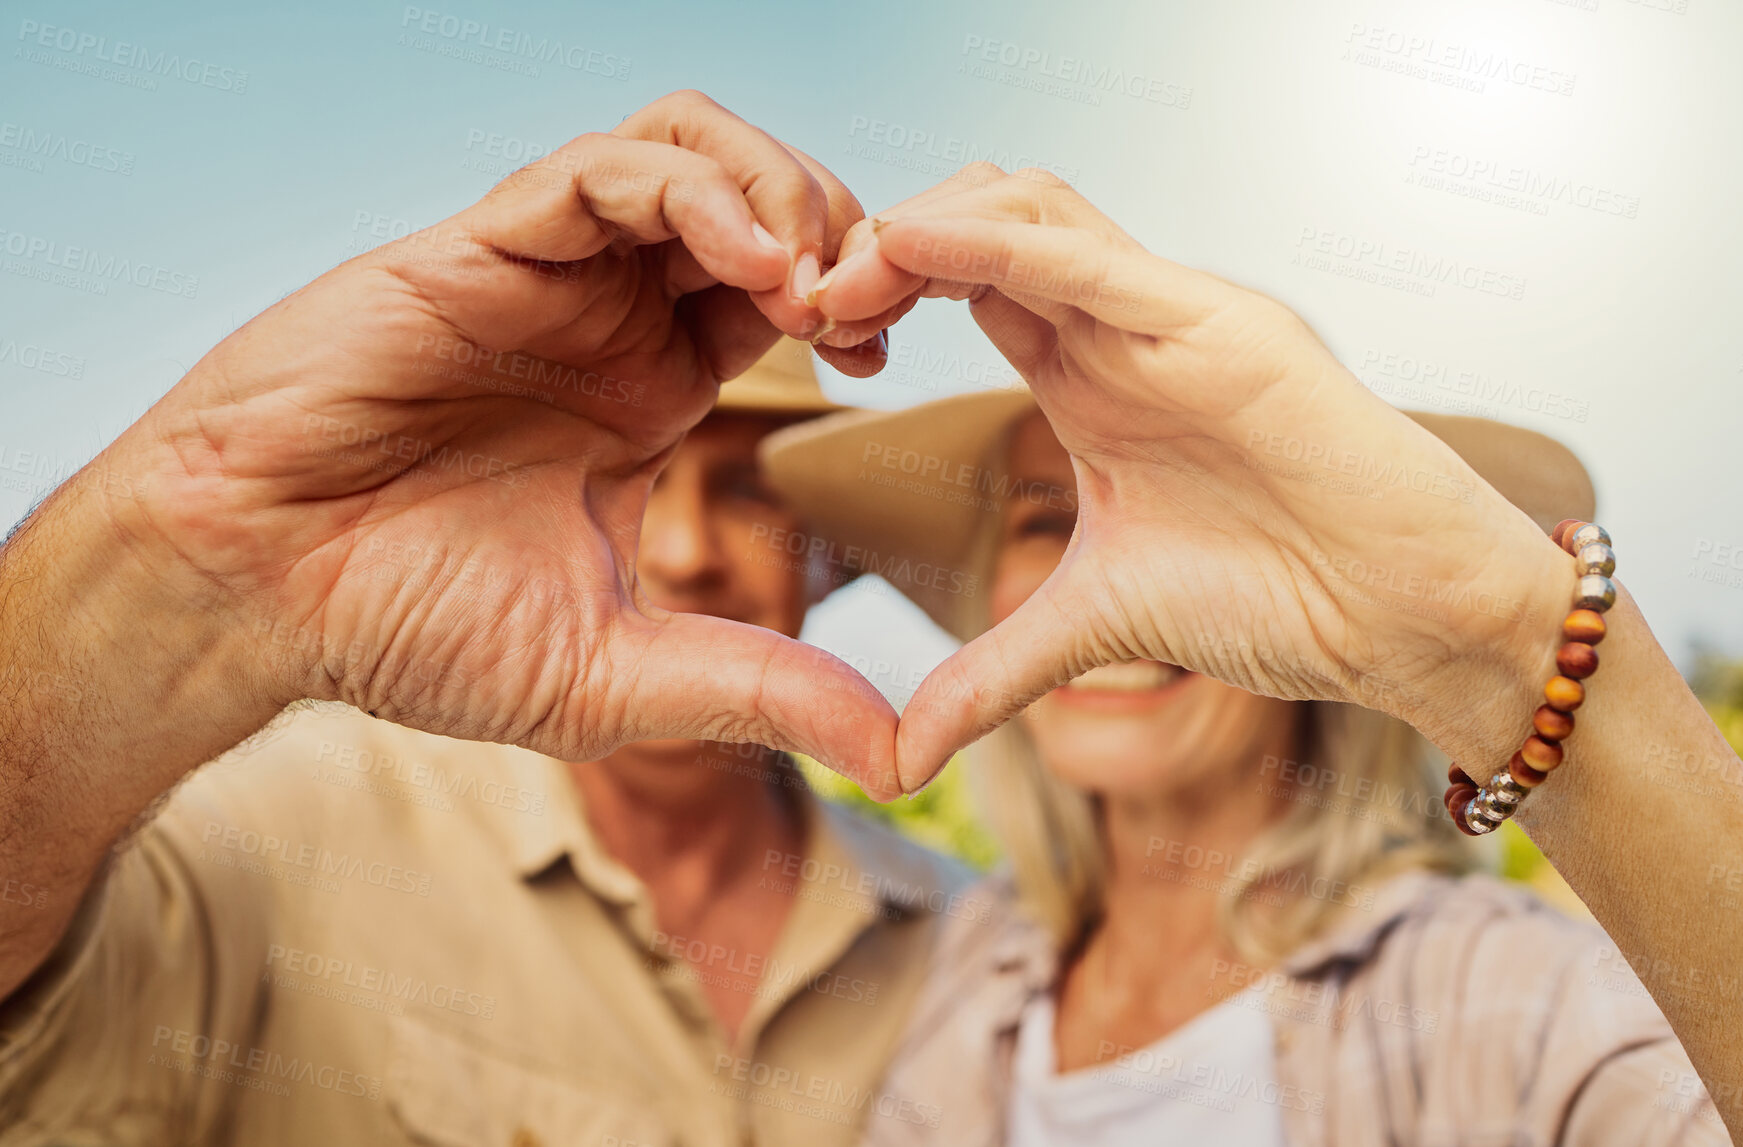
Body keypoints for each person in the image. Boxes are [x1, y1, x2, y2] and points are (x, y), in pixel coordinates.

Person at [0, 95, 968, 1147]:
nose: (688, 550)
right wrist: (178, 548)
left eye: (751, 494)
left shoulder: (960, 937)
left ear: (830, 553)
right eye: (635, 480)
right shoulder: (288, 827)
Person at [780, 162, 1743, 1143]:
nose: (1111, 576)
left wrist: (1502, 636)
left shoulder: (1506, 998)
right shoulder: (945, 970)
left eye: (1192, 511)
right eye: (1043, 520)